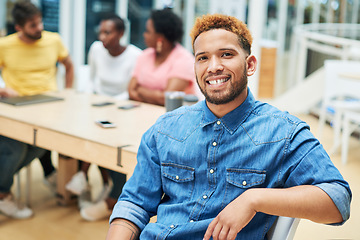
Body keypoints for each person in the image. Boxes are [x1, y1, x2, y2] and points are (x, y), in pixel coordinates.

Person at [106, 14, 352, 239]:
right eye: (203, 58)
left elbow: (338, 201)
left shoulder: (283, 133)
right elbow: (134, 204)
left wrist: (254, 199)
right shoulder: (165, 128)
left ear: (250, 64)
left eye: (226, 54)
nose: (213, 66)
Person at [0, 1, 74, 219]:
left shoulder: (54, 40)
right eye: (33, 25)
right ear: (19, 28)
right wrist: (3, 89)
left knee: (43, 145)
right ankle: (3, 193)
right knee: (13, 148)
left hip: (49, 106)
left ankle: (4, 185)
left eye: (40, 21)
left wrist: (67, 93)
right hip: (17, 108)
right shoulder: (5, 45)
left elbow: (69, 65)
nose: (40, 27)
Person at [65, 14, 141, 221]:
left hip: (122, 108)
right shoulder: (96, 49)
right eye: (100, 32)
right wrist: (90, 100)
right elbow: (91, 80)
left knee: (104, 135)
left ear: (121, 33)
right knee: (86, 128)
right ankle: (97, 182)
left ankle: (84, 176)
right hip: (97, 103)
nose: (102, 37)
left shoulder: (135, 55)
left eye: (107, 32)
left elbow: (131, 90)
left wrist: (111, 104)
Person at [128, 8, 197, 106]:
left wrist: (140, 90)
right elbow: (131, 91)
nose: (144, 35)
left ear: (160, 38)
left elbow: (168, 100)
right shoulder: (144, 55)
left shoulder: (184, 59)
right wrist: (157, 96)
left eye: (148, 31)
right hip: (142, 112)